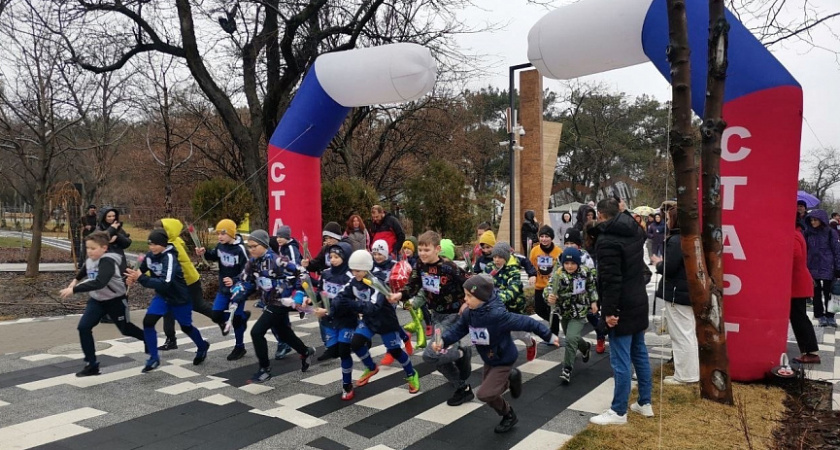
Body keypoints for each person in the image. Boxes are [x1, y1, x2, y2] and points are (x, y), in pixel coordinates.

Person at [432, 274, 559, 434]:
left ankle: (508, 386)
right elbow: (458, 330)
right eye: (465, 295)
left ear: (482, 297)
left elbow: (529, 322)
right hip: (489, 359)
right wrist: (443, 341)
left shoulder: (497, 315)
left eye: (469, 296)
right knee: (490, 395)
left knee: (484, 394)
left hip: (504, 357)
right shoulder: (470, 314)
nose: (465, 300)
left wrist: (549, 336)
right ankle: (508, 414)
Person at [318, 250, 420, 400]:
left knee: (395, 351)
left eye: (358, 270)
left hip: (385, 320)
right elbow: (341, 297)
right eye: (353, 270)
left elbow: (373, 307)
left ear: (366, 268)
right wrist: (328, 311)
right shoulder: (353, 281)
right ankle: (371, 367)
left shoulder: (376, 281)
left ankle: (411, 373)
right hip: (369, 321)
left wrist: (352, 304)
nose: (355, 273)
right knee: (356, 343)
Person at [589, 198, 654, 425]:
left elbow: (610, 280)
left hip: (621, 306)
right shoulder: (634, 230)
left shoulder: (607, 241)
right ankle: (645, 403)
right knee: (640, 353)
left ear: (599, 214)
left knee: (621, 360)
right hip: (638, 298)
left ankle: (618, 411)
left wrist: (609, 312)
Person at [389, 231, 472, 406]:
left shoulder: (449, 267)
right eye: (420, 250)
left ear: (437, 249)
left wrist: (467, 302)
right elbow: (412, 285)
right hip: (437, 317)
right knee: (437, 358)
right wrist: (400, 295)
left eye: (427, 249)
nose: (423, 253)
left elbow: (471, 282)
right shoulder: (420, 265)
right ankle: (462, 387)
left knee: (430, 354)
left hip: (453, 317)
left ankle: (461, 354)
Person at [234, 229, 316, 383]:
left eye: (254, 246)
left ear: (264, 245)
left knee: (257, 332)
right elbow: (245, 281)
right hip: (269, 301)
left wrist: (299, 293)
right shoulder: (253, 262)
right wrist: (237, 292)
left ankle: (265, 369)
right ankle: (306, 351)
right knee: (284, 333)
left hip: (281, 301)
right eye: (249, 247)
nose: (251, 250)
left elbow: (302, 272)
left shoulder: (277, 260)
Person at [60, 231, 146, 376]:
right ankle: (92, 365)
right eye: (87, 248)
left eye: (93, 248)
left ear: (104, 248)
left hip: (115, 300)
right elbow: (85, 269)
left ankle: (148, 339)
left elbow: (100, 282)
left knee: (125, 329)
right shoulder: (91, 259)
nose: (89, 251)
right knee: (84, 327)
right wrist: (75, 280)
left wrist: (75, 289)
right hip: (97, 301)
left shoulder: (108, 261)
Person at [124, 229, 209, 373]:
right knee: (148, 322)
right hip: (162, 297)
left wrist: (141, 278)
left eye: (155, 244)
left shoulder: (170, 258)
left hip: (179, 298)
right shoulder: (150, 256)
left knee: (186, 327)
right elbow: (141, 271)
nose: (152, 248)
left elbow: (165, 282)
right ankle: (153, 358)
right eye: (150, 244)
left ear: (163, 244)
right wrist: (132, 277)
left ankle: (202, 346)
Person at [650, 207, 699, 385]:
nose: (667, 222)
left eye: (669, 218)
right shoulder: (692, 237)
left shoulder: (676, 240)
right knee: (688, 333)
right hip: (688, 291)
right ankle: (690, 372)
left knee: (681, 335)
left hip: (677, 293)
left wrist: (658, 263)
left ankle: (686, 375)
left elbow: (669, 268)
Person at [196, 219, 251, 361]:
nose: (219, 236)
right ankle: (242, 318)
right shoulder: (221, 246)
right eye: (218, 233)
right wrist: (204, 252)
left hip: (238, 290)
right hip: (223, 289)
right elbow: (213, 255)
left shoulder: (241, 250)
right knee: (215, 315)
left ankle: (240, 347)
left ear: (232, 234)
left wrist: (235, 279)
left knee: (236, 320)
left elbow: (248, 270)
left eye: (223, 233)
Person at [157, 218, 214, 352]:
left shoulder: (172, 247)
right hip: (175, 284)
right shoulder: (170, 242)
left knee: (198, 305)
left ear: (168, 232)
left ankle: (222, 318)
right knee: (167, 310)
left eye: (159, 231)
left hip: (188, 282)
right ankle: (171, 339)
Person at [545, 247, 596, 384]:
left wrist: (594, 302)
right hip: (564, 311)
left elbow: (591, 287)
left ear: (578, 263)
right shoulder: (558, 275)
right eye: (567, 263)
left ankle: (567, 369)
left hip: (579, 311)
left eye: (573, 263)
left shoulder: (585, 273)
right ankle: (585, 347)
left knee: (570, 339)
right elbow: (549, 289)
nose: (570, 266)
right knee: (571, 337)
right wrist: (549, 297)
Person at [486, 242, 537, 361]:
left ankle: (530, 343)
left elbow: (513, 288)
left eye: (500, 257)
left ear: (506, 257)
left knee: (520, 333)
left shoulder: (513, 270)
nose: (496, 260)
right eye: (494, 257)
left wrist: (499, 297)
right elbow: (483, 282)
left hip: (514, 306)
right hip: (497, 308)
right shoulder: (490, 268)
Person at [563, 228, 603, 352]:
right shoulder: (563, 255)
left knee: (592, 316)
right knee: (570, 322)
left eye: (572, 243)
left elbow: (592, 276)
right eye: (567, 243)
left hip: (584, 294)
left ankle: (600, 336)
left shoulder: (585, 256)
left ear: (578, 244)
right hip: (569, 296)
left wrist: (593, 299)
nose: (569, 246)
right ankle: (576, 344)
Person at [316, 241, 354, 361]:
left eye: (336, 257)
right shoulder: (326, 274)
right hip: (329, 319)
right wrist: (310, 300)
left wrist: (328, 311)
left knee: (344, 351)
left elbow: (345, 301)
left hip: (345, 318)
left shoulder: (350, 277)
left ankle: (347, 377)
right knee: (333, 351)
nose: (333, 260)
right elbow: (320, 292)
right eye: (331, 257)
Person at [803, 209, 840, 327]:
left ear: (821, 220)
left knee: (831, 292)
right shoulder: (808, 232)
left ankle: (830, 315)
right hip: (812, 265)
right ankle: (819, 315)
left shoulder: (830, 232)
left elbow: (837, 250)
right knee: (816, 292)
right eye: (811, 220)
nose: (813, 222)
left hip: (828, 265)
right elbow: (805, 249)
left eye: (815, 220)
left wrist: (838, 267)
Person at [792, 216, 821, 364]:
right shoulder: (798, 233)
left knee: (800, 318)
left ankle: (811, 352)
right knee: (799, 317)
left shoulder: (793, 235)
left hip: (797, 283)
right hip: (798, 283)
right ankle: (808, 351)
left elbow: (795, 255)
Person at [531, 225, 562, 334]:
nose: (544, 239)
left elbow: (562, 269)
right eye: (542, 236)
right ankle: (555, 321)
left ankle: (554, 335)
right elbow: (531, 267)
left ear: (551, 238)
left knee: (553, 310)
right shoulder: (535, 250)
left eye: (547, 236)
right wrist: (532, 276)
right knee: (539, 310)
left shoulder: (558, 252)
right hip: (539, 286)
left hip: (552, 288)